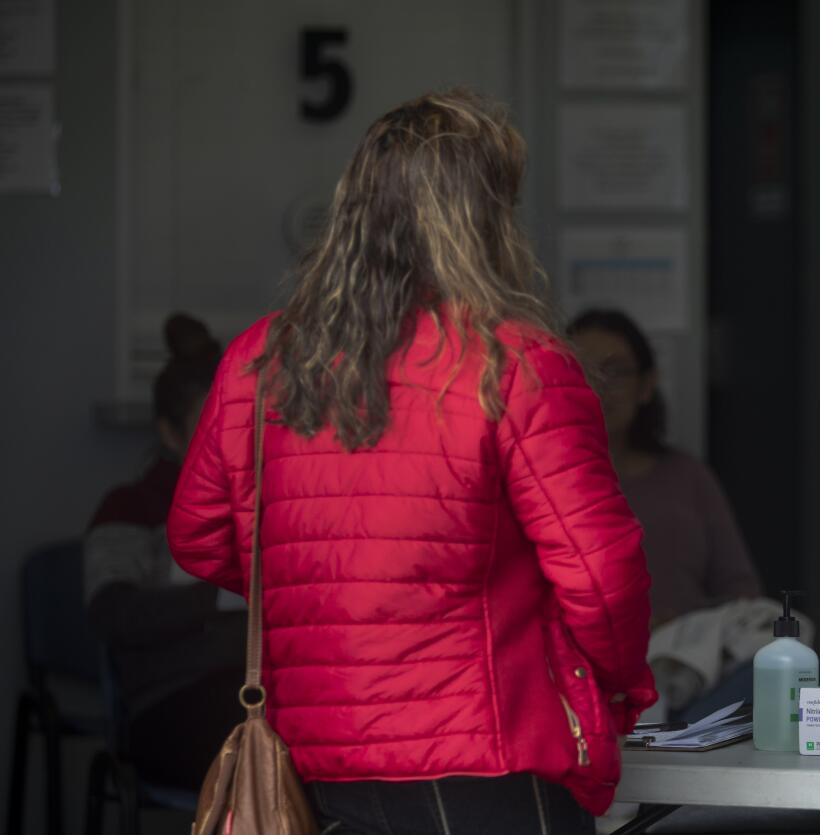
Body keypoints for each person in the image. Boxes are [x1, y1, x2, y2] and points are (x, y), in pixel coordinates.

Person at [166, 90, 656, 834]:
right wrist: (615, 691)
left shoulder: (259, 362)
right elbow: (600, 573)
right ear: (484, 220)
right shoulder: (515, 363)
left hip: (318, 762)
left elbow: (198, 536)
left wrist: (332, 586)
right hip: (485, 759)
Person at [84, 313, 244, 789]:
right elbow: (112, 613)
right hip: (172, 704)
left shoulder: (263, 500)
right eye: (208, 425)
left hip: (258, 693)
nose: (226, 441)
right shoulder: (130, 507)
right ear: (170, 434)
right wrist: (215, 598)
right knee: (259, 747)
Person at [568, 309, 762, 627]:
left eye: (614, 372)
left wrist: (687, 625)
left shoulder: (688, 479)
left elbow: (742, 594)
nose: (599, 386)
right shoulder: (539, 485)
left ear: (646, 384)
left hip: (684, 663)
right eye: (582, 371)